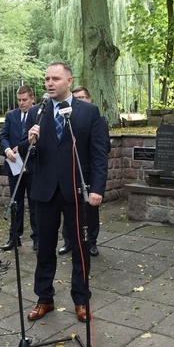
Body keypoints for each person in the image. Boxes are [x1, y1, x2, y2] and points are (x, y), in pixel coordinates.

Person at [19, 62, 108, 323]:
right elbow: (25, 151)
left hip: (77, 192)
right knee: (44, 248)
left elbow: (99, 154)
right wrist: (29, 140)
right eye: (46, 78)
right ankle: (44, 297)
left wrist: (97, 189)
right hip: (44, 191)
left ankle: (81, 300)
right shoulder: (37, 111)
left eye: (55, 78)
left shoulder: (88, 112)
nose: (49, 83)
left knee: (80, 248)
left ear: (69, 81)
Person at [58, 86, 111, 257]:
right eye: (76, 98)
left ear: (89, 99)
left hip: (87, 172)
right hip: (67, 173)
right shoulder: (66, 118)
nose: (79, 101)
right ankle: (68, 241)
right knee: (67, 209)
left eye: (82, 97)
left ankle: (92, 242)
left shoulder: (97, 119)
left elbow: (103, 149)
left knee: (89, 212)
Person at [0, 85, 38, 251]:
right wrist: (7, 149)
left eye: (25, 100)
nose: (21, 103)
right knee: (16, 202)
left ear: (32, 98)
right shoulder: (11, 116)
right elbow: (4, 136)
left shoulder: (39, 115)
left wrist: (24, 147)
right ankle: (14, 237)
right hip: (15, 165)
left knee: (35, 202)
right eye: (19, 100)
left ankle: (37, 238)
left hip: (32, 165)